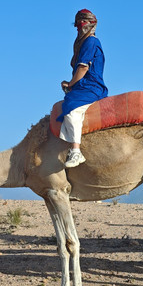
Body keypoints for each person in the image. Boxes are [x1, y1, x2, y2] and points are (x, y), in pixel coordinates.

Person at [58, 9, 108, 168]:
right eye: (78, 25)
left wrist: (70, 84)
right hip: (84, 87)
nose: (79, 28)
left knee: (72, 110)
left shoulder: (90, 42)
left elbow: (83, 68)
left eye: (81, 24)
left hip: (91, 87)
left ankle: (75, 151)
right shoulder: (87, 42)